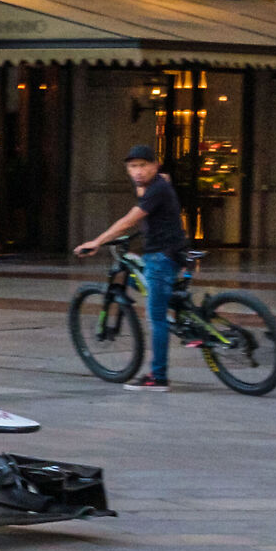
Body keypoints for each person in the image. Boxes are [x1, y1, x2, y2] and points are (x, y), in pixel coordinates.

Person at [76, 143, 189, 391]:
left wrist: (97, 242)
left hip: (162, 257)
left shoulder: (157, 189)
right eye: (132, 166)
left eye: (143, 165)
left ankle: (158, 377)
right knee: (137, 278)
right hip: (169, 252)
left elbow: (128, 221)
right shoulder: (156, 185)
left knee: (156, 317)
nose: (137, 171)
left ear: (155, 165)